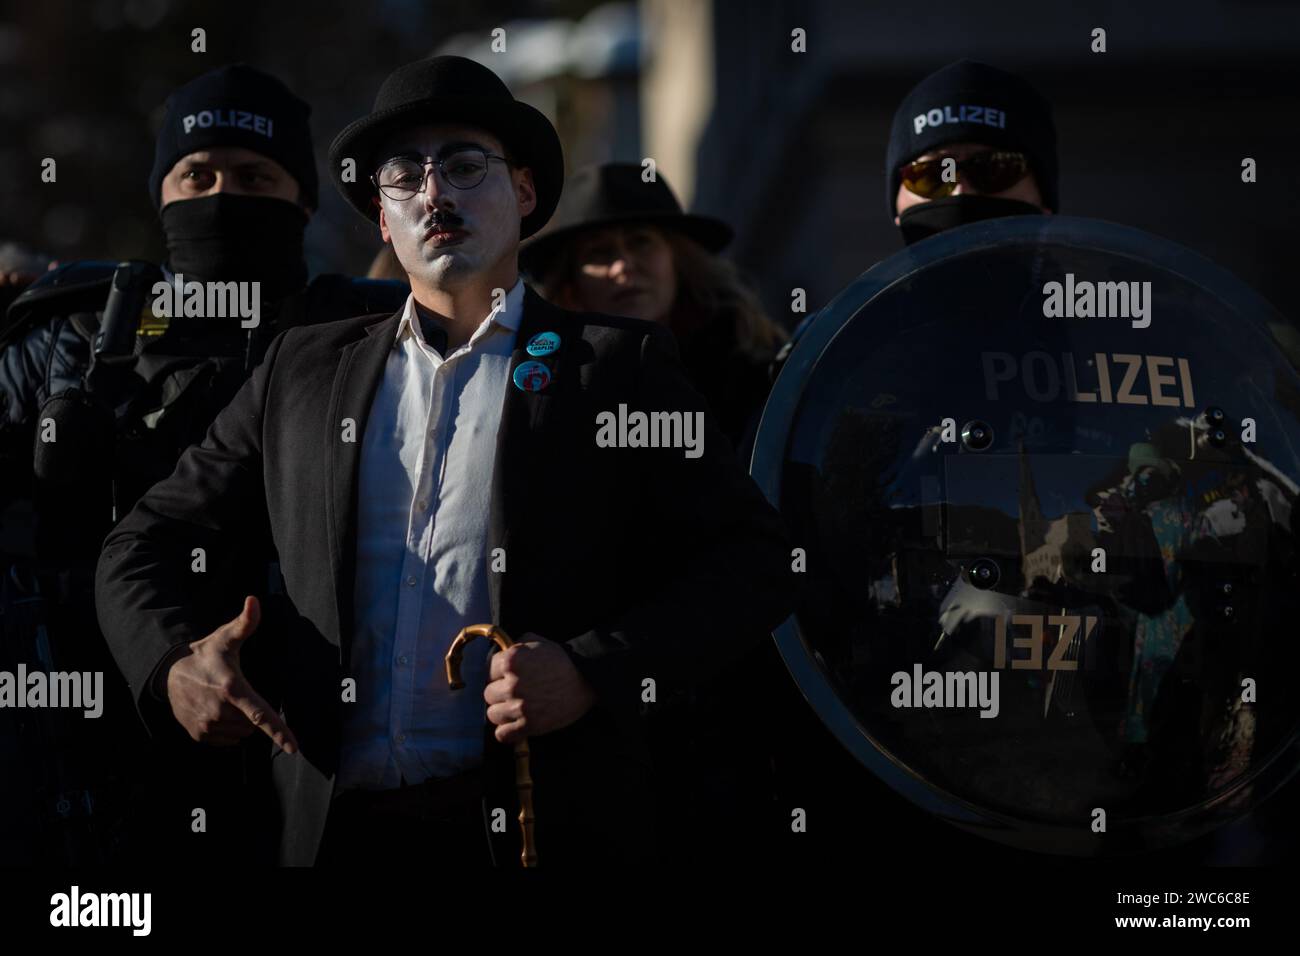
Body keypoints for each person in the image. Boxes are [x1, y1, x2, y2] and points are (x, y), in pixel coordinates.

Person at [94, 54, 799, 868]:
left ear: (524, 194)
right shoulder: (301, 371)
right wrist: (175, 662)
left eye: (466, 166)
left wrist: (592, 670)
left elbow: (757, 561)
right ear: (383, 221)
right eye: (404, 176)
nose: (436, 193)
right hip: (330, 837)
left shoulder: (615, 368)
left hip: (537, 830)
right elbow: (141, 542)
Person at [0, 63, 408, 866]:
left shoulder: (376, 332)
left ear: (302, 202)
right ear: (163, 196)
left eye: (255, 175)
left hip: (326, 747)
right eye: (198, 174)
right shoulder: (72, 336)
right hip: (99, 751)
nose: (224, 194)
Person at [771, 59, 1060, 377]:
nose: (959, 191)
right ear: (897, 205)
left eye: (995, 169)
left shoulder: (1100, 321)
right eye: (929, 175)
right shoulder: (838, 342)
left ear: (1044, 198)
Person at [519, 163, 785, 452]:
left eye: (640, 242)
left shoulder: (761, 372)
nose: (623, 266)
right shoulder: (545, 395)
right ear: (571, 285)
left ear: (678, 260)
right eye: (600, 252)